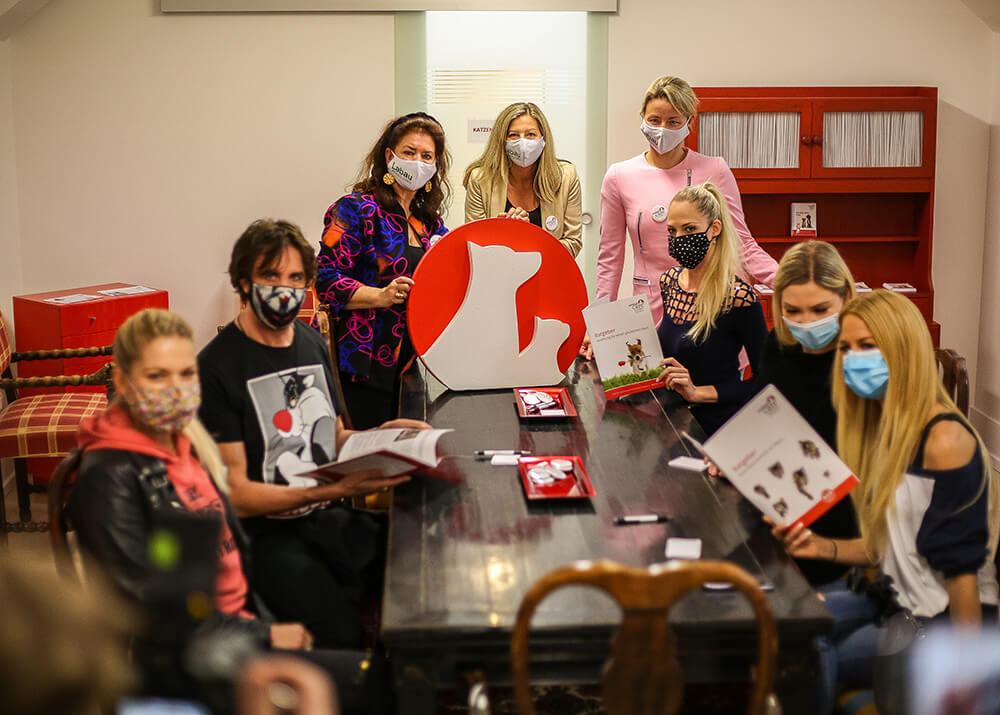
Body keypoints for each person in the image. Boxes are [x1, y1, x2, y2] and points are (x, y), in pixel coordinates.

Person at [199, 219, 429, 649]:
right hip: (263, 537)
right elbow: (237, 494)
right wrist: (334, 488)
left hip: (323, 517)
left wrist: (386, 435)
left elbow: (334, 436)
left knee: (417, 565)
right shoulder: (216, 368)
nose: (284, 289)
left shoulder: (310, 341)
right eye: (271, 276)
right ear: (243, 282)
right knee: (340, 628)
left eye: (295, 278)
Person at [771, 290, 1000, 713]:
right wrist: (822, 547)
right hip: (894, 598)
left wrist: (962, 679)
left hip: (943, 622)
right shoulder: (886, 426)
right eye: (846, 348)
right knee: (787, 625)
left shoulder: (944, 441)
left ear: (904, 351)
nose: (853, 358)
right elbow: (893, 544)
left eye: (868, 345)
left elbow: (962, 578)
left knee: (807, 652)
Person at [596, 75, 777, 327]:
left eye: (673, 122)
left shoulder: (715, 170)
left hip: (713, 302)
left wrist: (789, 281)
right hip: (653, 306)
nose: (662, 129)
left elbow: (741, 243)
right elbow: (610, 257)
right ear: (643, 119)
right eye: (654, 120)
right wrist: (600, 323)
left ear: (688, 123)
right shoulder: (620, 176)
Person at [316, 112, 450, 430]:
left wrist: (502, 230)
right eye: (409, 152)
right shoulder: (354, 209)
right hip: (365, 360)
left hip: (414, 362)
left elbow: (454, 263)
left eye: (426, 156)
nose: (417, 162)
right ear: (390, 156)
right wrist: (380, 296)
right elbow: (325, 280)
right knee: (371, 451)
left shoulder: (428, 222)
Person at [755, 240, 858, 587]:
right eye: (793, 311)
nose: (807, 323)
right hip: (782, 503)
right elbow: (765, 415)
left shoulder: (861, 360)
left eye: (820, 309)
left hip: (844, 520)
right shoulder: (777, 346)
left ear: (845, 297)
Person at [653, 182, 767, 436]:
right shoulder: (669, 282)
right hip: (671, 423)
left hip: (716, 428)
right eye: (672, 230)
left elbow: (765, 383)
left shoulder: (739, 298)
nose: (679, 238)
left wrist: (698, 392)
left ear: (714, 229)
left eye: (689, 229)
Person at [463, 101, 582, 257]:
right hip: (497, 271)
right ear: (502, 140)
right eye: (513, 135)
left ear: (543, 139)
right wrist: (503, 232)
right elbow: (475, 247)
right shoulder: (480, 179)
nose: (523, 142)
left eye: (531, 134)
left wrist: (528, 235)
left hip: (550, 270)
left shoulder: (566, 176)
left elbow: (573, 243)